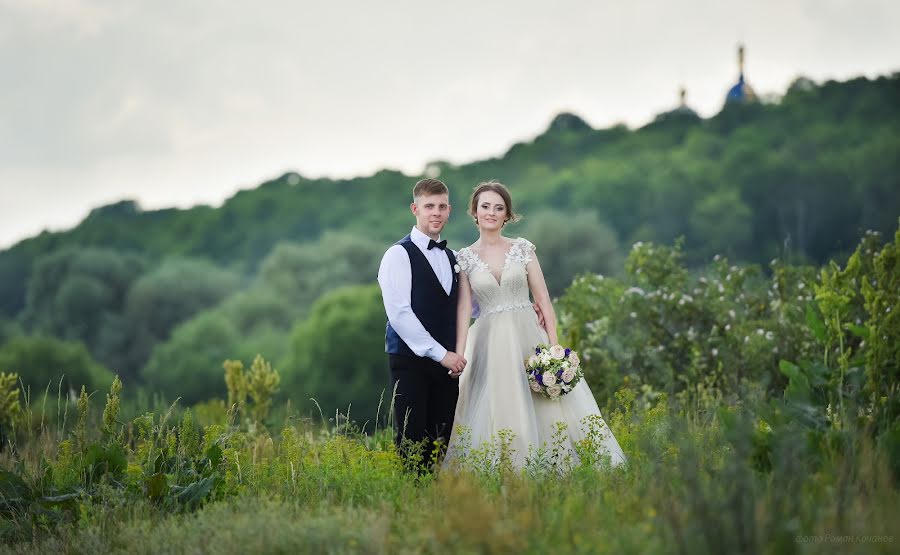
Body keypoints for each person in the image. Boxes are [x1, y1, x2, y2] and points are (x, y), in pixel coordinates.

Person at [444, 180, 626, 471]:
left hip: (527, 333)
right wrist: (459, 352)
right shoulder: (464, 257)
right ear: (475, 212)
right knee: (496, 402)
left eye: (499, 207)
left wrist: (554, 351)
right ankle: (505, 468)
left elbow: (544, 301)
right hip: (489, 340)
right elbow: (465, 309)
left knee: (543, 402)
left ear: (507, 215)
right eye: (485, 206)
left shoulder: (523, 249)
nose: (491, 212)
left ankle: (554, 465)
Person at [377, 179, 466, 467]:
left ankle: (438, 505)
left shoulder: (452, 258)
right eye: (429, 206)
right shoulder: (397, 255)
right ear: (415, 209)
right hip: (410, 360)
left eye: (441, 207)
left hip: (447, 367)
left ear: (449, 210)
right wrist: (442, 355)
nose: (436, 213)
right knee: (412, 443)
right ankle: (411, 504)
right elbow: (400, 314)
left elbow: (463, 306)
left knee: (442, 441)